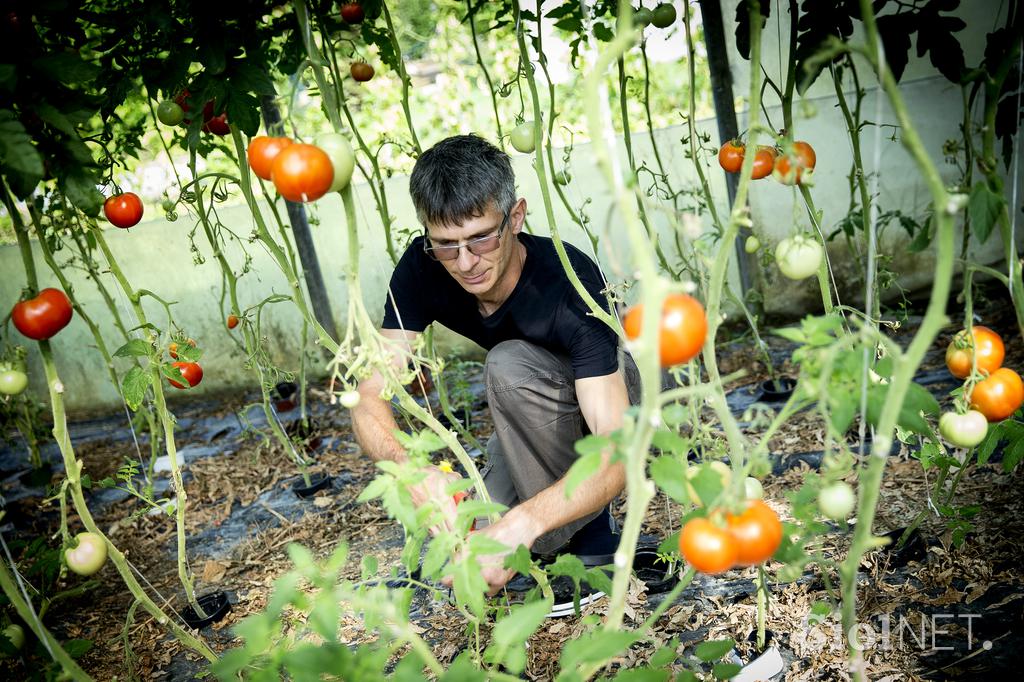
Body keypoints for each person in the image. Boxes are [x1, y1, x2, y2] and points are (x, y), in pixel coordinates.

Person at [351, 134, 640, 596]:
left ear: (516, 216)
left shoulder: (569, 282)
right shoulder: (422, 267)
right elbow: (368, 396)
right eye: (446, 244)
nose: (465, 263)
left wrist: (525, 523)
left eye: (480, 238)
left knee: (508, 365)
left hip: (615, 391)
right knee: (468, 543)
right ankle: (546, 517)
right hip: (532, 408)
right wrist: (412, 469)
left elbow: (618, 443)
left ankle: (591, 533)